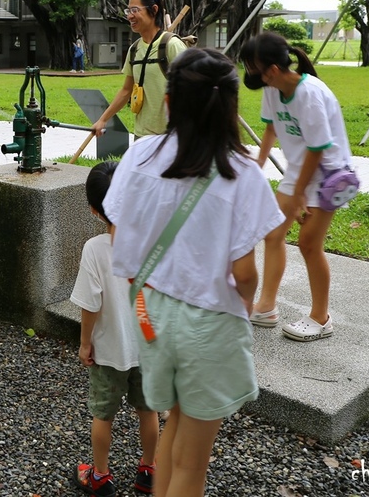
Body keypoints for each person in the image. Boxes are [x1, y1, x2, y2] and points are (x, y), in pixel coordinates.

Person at [104, 48, 284, 497]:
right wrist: (246, 300)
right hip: (209, 322)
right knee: (194, 464)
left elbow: (119, 225)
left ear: (169, 102)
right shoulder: (242, 173)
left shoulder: (143, 154)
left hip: (149, 313)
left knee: (173, 428)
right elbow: (245, 274)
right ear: (230, 108)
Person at [242, 31, 354, 342]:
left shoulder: (310, 93)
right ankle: (265, 307)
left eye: (254, 68)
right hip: (300, 169)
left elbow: (318, 148)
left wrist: (301, 193)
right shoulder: (272, 88)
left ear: (273, 70)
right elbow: (270, 128)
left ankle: (321, 317)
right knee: (273, 232)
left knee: (308, 243)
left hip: (328, 174)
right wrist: (257, 164)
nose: (251, 75)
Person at [70, 161, 159, 496]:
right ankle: (149, 470)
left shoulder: (95, 250)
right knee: (148, 409)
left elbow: (90, 304)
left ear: (95, 210)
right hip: (149, 347)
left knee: (103, 415)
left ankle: (101, 476)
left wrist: (84, 343)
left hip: (110, 350)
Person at [92, 0, 187, 139]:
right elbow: (126, 91)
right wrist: (103, 120)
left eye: (135, 10)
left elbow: (193, 90)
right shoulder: (134, 50)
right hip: (141, 136)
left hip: (170, 137)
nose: (130, 16)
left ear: (154, 10)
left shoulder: (172, 45)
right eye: (128, 11)